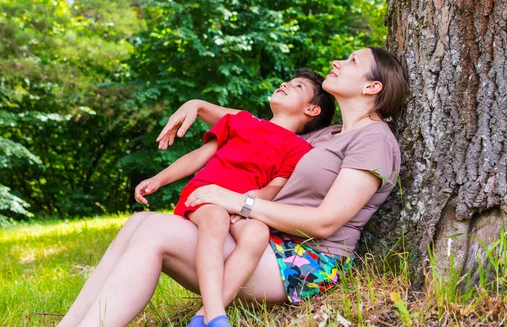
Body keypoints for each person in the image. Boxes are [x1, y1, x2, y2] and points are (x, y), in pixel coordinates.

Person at [58, 47, 409, 327]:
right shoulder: (327, 134)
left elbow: (325, 223)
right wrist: (197, 105)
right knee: (139, 223)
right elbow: (254, 127)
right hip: (265, 243)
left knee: (155, 232)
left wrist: (237, 202)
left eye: (351, 61)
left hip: (305, 261)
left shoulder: (374, 140)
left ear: (371, 87)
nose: (337, 62)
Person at [132, 68, 335, 327]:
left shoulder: (300, 149)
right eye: (287, 82)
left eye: (297, 87)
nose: (285, 84)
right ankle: (217, 316)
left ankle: (202, 316)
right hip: (206, 194)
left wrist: (244, 202)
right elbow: (200, 156)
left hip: (242, 207)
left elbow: (274, 188)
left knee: (258, 234)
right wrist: (159, 179)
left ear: (312, 110)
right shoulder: (241, 121)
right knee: (215, 219)